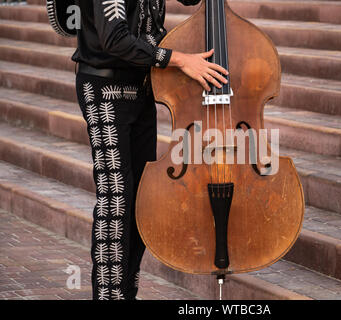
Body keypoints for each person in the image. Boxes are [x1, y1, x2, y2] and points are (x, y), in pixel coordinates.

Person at [72, 0, 228, 300]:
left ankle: (126, 293)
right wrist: (179, 59)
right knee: (116, 202)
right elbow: (115, 38)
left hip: (142, 89)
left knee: (139, 204)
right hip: (104, 89)